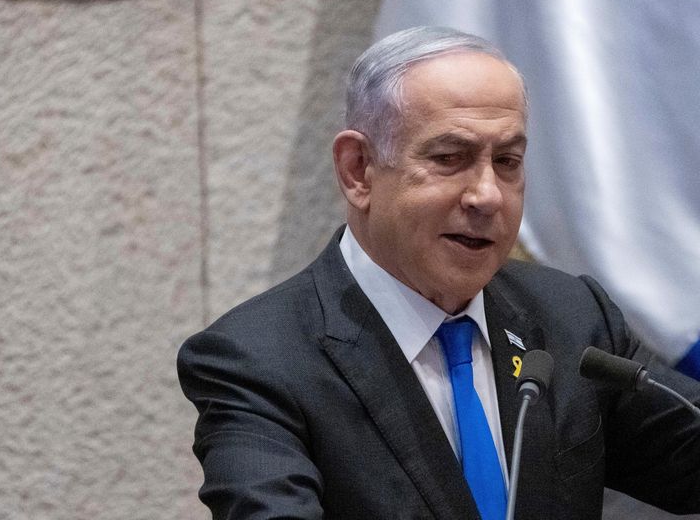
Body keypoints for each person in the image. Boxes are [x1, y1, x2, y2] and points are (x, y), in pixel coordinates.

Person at [177, 27, 700, 519]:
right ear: (358, 170)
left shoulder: (570, 315)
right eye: (450, 158)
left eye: (508, 161)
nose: (487, 195)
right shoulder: (256, 362)